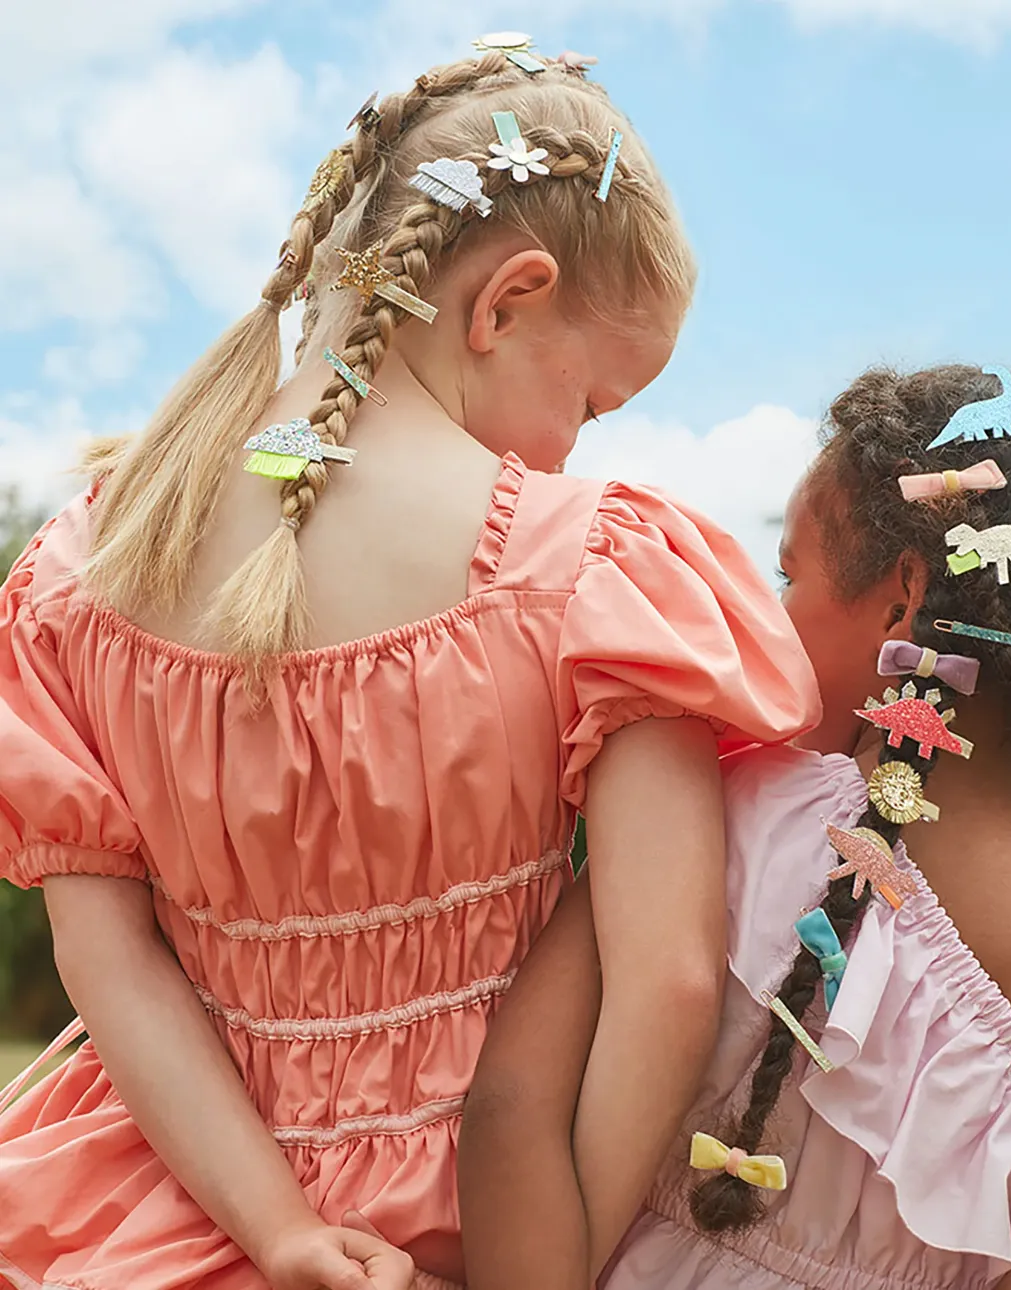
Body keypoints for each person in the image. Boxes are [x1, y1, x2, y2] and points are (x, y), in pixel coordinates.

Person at [0, 46, 819, 1290]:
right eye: (592, 403)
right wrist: (540, 1266)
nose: (573, 450)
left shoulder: (77, 572)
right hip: (489, 1219)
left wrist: (281, 1231)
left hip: (159, 1208)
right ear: (505, 302)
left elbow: (108, 965)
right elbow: (665, 979)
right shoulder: (595, 571)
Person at [459, 365, 1011, 1290]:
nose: (772, 615)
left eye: (789, 574)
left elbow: (509, 1108)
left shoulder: (729, 812)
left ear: (902, 600)